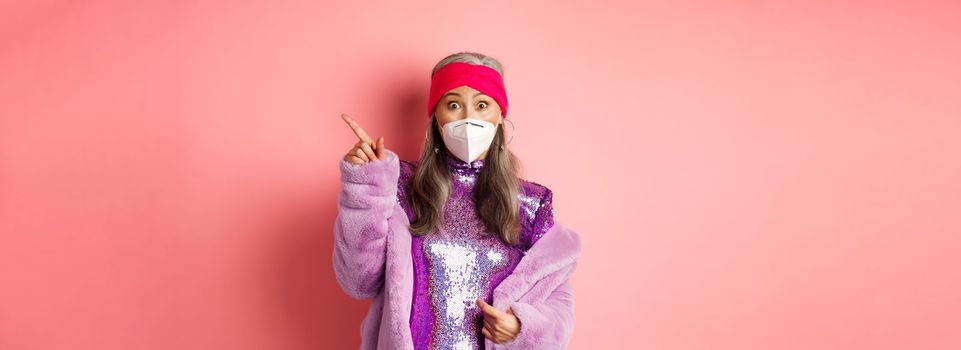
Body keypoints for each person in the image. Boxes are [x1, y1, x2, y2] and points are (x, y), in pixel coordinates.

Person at [333, 51, 582, 349]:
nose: (468, 118)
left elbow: (559, 304)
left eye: (481, 105)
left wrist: (521, 328)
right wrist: (365, 186)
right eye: (453, 105)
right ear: (436, 115)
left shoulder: (531, 205)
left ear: (500, 116)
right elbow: (358, 282)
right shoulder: (400, 187)